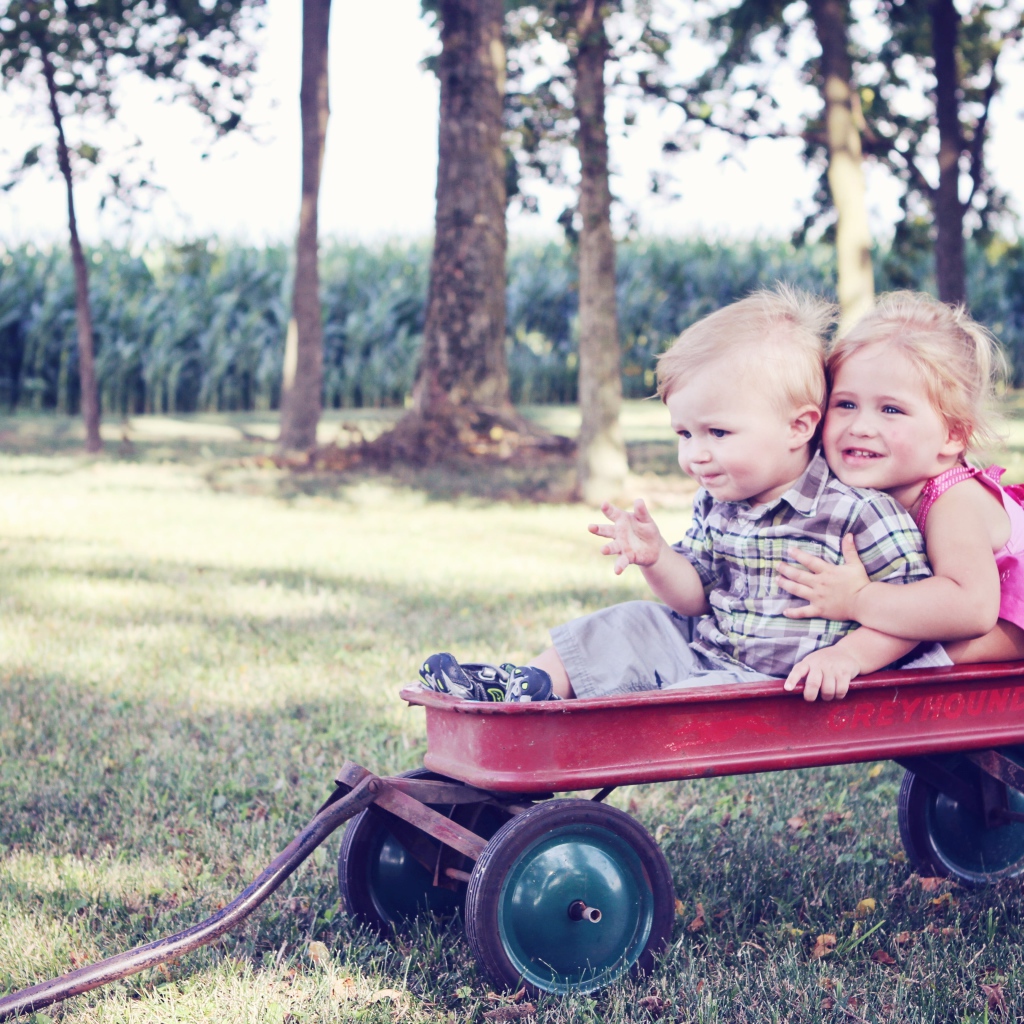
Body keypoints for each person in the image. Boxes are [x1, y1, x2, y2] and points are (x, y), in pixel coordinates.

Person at [420, 287, 945, 705]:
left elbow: (912, 616)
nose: (696, 454)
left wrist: (849, 657)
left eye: (717, 434)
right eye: (684, 434)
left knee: (676, 705)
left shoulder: (858, 512)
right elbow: (694, 597)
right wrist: (658, 559)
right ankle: (527, 685)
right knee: (631, 621)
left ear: (798, 426)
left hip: (776, 686)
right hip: (707, 652)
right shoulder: (718, 500)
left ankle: (578, 721)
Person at [776, 290, 1024, 666]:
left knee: (920, 658)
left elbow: (973, 608)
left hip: (1008, 620)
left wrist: (858, 600)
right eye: (846, 404)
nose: (860, 426)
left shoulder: (951, 502)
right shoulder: (861, 491)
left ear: (952, 435)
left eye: (890, 409)